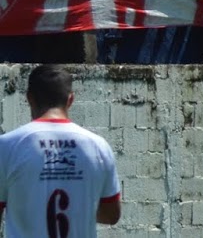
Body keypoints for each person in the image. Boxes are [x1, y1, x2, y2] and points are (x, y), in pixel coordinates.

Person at [0, 65, 121, 234]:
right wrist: (79, 207)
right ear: (70, 99)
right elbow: (111, 215)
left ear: (29, 98)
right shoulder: (98, 146)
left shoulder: (7, 146)